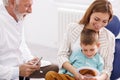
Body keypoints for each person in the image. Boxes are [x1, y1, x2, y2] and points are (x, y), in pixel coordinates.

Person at [45, 0, 115, 80]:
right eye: (96, 19)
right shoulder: (72, 28)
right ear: (90, 14)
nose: (99, 24)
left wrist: (97, 79)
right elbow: (62, 55)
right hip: (72, 75)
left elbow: (107, 69)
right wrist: (75, 73)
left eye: (104, 21)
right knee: (50, 75)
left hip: (93, 77)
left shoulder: (110, 37)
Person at [0, 0, 58, 80]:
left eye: (31, 5)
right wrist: (17, 71)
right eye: (27, 6)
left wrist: (30, 60)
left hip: (22, 70)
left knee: (56, 69)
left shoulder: (17, 15)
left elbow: (21, 45)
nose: (30, 11)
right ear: (12, 3)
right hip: (8, 74)